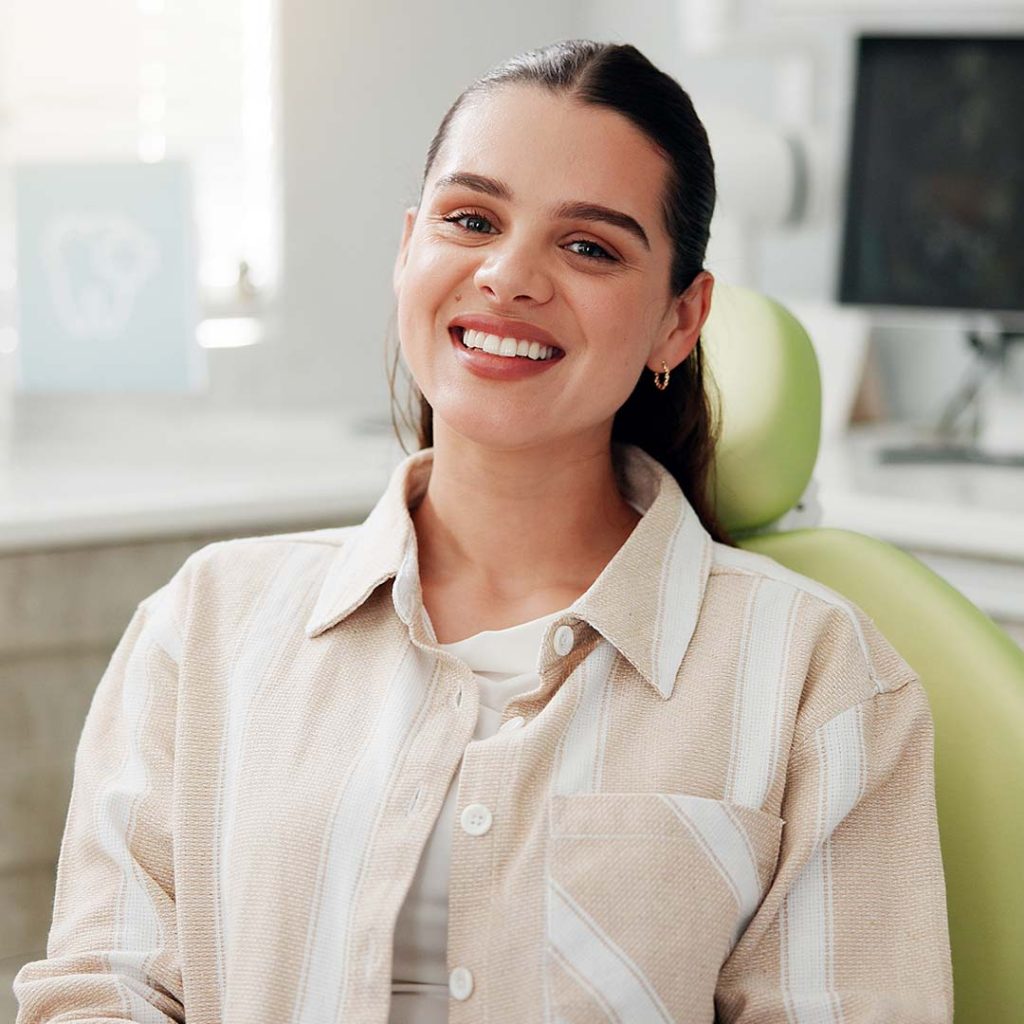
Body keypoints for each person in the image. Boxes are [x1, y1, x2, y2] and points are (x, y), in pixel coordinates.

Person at [14, 39, 953, 1024]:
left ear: (680, 320)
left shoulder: (816, 675)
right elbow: (102, 991)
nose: (508, 276)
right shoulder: (203, 625)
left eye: (588, 245)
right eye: (471, 220)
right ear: (410, 248)